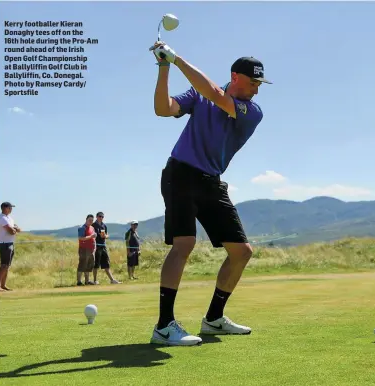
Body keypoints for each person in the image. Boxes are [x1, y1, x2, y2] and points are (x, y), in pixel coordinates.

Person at [148, 41, 271, 346]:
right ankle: (164, 325)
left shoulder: (252, 111)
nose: (257, 89)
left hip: (211, 181)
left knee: (242, 252)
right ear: (236, 76)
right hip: (180, 174)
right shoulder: (198, 97)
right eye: (254, 82)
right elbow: (163, 109)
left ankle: (214, 319)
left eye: (259, 84)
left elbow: (216, 95)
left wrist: (177, 59)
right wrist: (164, 67)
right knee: (184, 243)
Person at [0, 202, 21, 291]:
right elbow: (12, 231)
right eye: (10, 207)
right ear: (5, 208)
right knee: (3, 265)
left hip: (10, 243)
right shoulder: (2, 218)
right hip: (4, 244)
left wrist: (15, 229)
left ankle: (3, 285)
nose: (11, 209)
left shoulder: (9, 218)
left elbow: (18, 229)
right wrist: (15, 229)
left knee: (7, 266)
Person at [92, 212, 121, 285]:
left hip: (103, 245)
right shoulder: (93, 225)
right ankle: (95, 280)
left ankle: (112, 280)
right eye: (99, 216)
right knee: (96, 264)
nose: (101, 218)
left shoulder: (104, 225)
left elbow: (107, 235)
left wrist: (105, 236)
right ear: (96, 217)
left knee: (106, 263)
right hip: (96, 246)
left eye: (102, 217)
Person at [77, 214, 97, 286]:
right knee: (82, 264)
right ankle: (79, 281)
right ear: (86, 219)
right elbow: (81, 238)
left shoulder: (92, 228)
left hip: (91, 249)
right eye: (89, 220)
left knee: (89, 265)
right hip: (84, 249)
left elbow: (93, 238)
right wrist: (91, 236)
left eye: (92, 220)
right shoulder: (82, 228)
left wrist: (94, 247)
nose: (91, 222)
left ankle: (87, 281)